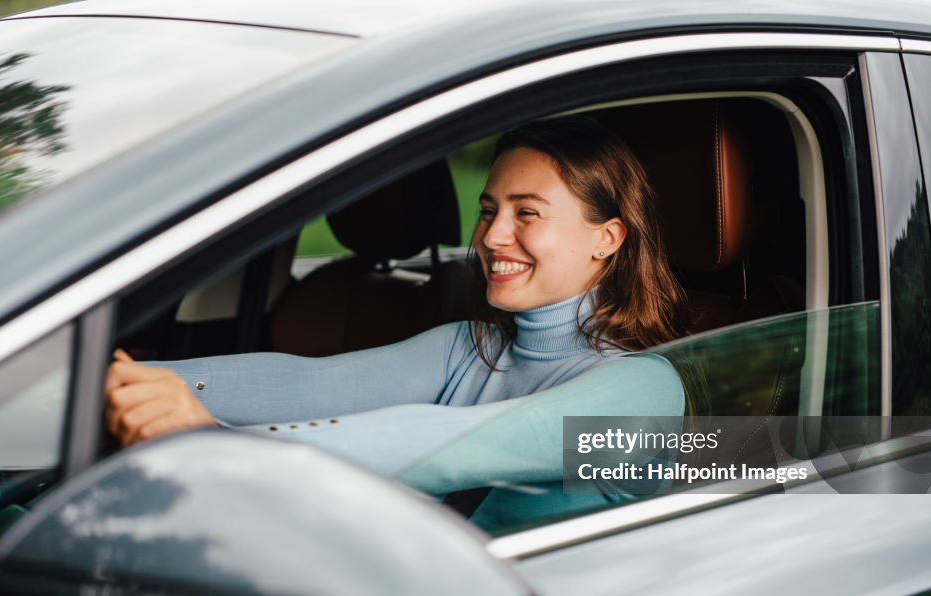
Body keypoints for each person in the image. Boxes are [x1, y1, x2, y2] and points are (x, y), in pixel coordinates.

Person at [104, 116, 690, 527]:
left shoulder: (645, 389)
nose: (490, 236)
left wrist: (211, 447)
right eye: (488, 211)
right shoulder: (472, 347)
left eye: (526, 213)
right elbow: (310, 385)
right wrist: (123, 384)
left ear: (606, 239)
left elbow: (447, 446)